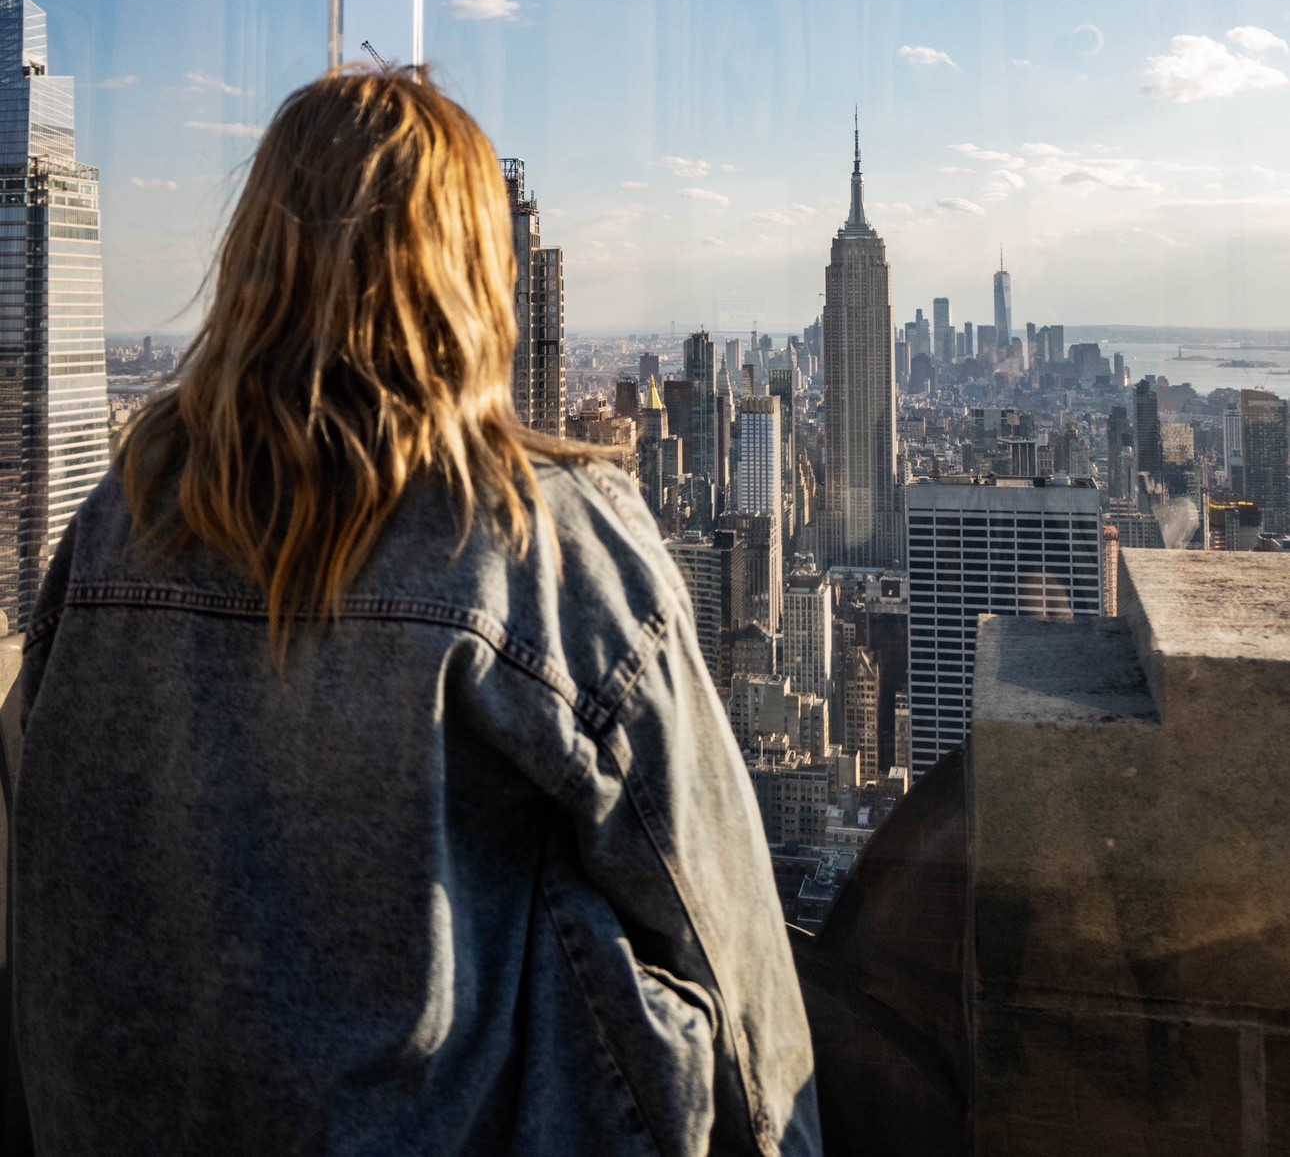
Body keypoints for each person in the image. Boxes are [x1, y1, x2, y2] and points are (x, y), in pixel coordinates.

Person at [12, 66, 821, 1156]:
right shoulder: (543, 540)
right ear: (477, 279)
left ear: (253, 260)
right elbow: (727, 942)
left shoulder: (120, 520)